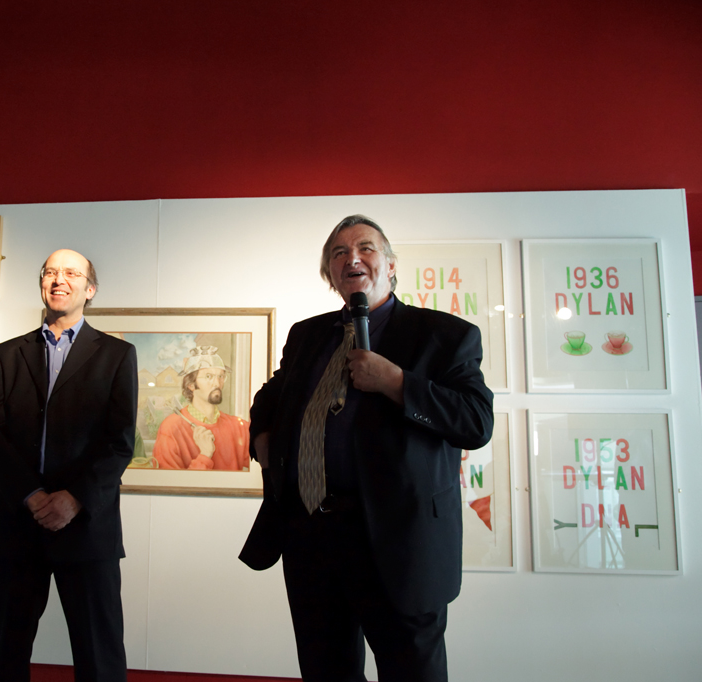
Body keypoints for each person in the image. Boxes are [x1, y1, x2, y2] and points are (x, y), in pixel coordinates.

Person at [240, 215, 493, 682]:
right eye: (338, 253)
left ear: (391, 265)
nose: (351, 258)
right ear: (330, 274)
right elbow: (271, 397)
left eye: (365, 248)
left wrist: (398, 383)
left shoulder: (444, 335)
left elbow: (476, 422)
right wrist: (262, 439)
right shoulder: (307, 335)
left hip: (399, 544)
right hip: (313, 539)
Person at [0, 248, 138, 682]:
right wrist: (33, 496)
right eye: (50, 271)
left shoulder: (118, 356)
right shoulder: (8, 355)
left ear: (90, 289)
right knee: (8, 648)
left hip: (86, 525)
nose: (58, 279)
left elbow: (120, 443)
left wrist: (74, 499)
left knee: (99, 653)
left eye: (71, 272)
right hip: (17, 523)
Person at [152, 346, 250, 471]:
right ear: (191, 385)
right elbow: (169, 485)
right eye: (208, 376)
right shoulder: (171, 428)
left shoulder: (239, 427)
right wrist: (205, 455)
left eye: (221, 376)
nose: (217, 383)